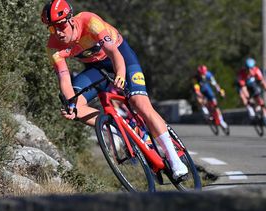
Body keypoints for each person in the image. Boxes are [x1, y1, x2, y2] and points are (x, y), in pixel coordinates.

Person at [41, 0, 187, 179]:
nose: (58, 32)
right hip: (96, 68)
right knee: (74, 107)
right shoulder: (53, 47)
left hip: (121, 58)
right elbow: (64, 78)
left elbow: (113, 52)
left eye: (61, 25)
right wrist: (71, 105)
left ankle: (174, 160)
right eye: (51, 28)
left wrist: (120, 73)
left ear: (70, 20)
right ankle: (117, 130)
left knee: (139, 103)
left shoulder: (89, 21)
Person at [237, 58, 266, 129]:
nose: (249, 71)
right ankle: (250, 110)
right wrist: (248, 98)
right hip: (243, 86)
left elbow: (262, 82)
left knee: (260, 100)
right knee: (244, 97)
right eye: (248, 69)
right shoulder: (241, 73)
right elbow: (244, 88)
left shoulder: (256, 70)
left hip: (252, 84)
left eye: (251, 69)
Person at [193, 65, 228, 129]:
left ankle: (221, 121)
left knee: (215, 105)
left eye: (204, 74)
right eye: (201, 74)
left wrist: (220, 91)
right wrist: (200, 95)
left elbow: (215, 84)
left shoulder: (208, 74)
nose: (203, 75)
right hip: (200, 91)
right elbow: (196, 90)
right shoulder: (196, 78)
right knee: (199, 99)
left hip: (208, 90)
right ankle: (205, 112)